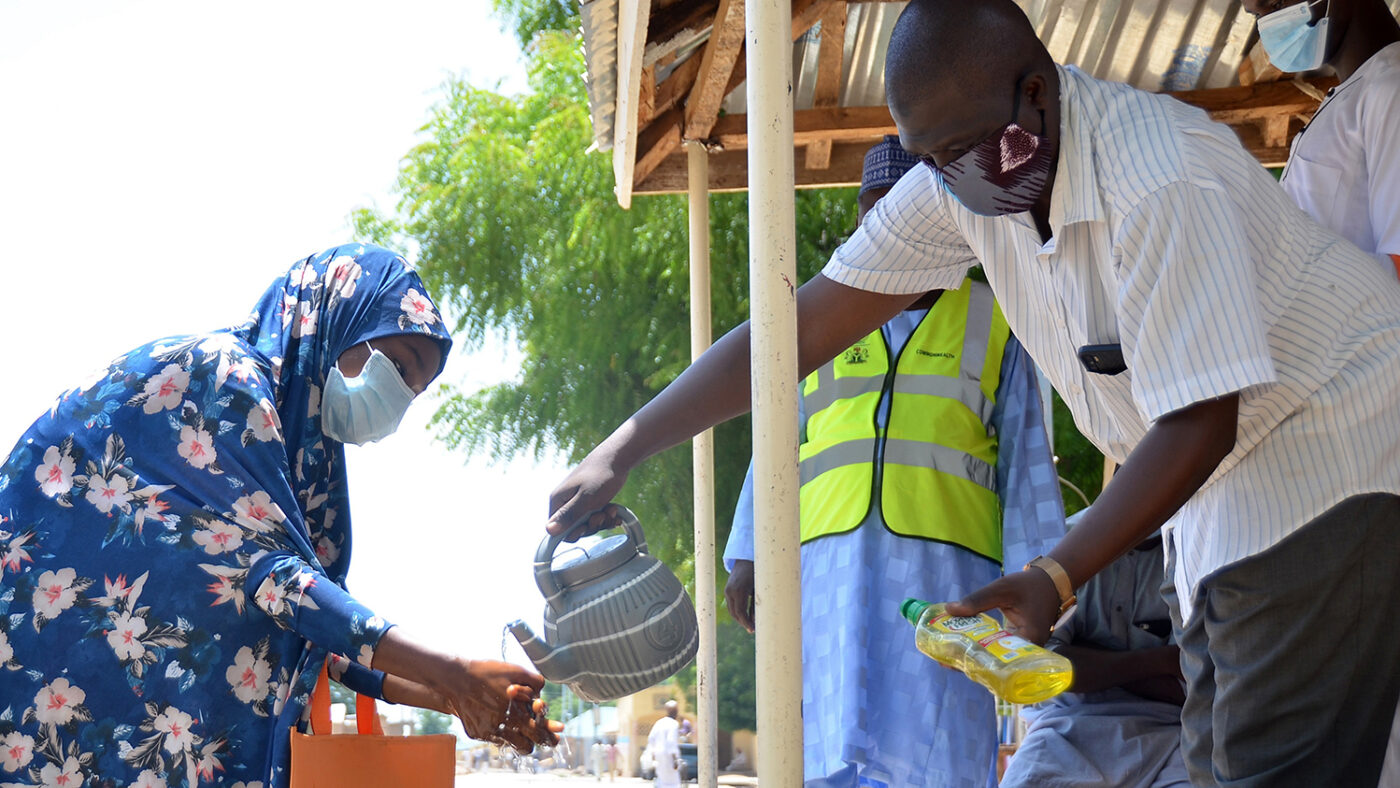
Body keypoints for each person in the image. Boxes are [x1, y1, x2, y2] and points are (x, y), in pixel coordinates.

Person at [546, 2, 1400, 785]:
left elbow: (1199, 422)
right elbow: (792, 333)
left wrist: (1052, 578)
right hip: (1226, 498)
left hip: (1329, 454)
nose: (953, 178)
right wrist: (624, 447)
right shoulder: (963, 177)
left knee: (1274, 765)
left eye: (962, 151)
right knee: (1220, 762)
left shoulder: (1160, 177)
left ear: (1036, 91)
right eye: (931, 160)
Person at [0, 244, 558, 787]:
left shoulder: (299, 463)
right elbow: (278, 585)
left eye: (416, 388)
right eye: (398, 364)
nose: (401, 395)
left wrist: (448, 697)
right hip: (58, 685)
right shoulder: (222, 377)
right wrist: (451, 671)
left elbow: (314, 631)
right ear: (335, 320)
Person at [722, 137, 1064, 788]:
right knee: (819, 747)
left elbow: (1027, 467)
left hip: (949, 587)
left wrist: (1046, 576)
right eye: (873, 217)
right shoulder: (813, 326)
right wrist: (748, 555)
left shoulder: (998, 322)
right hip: (826, 578)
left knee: (935, 757)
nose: (888, 236)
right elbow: (777, 443)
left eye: (904, 217)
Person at [1000, 514, 1188, 788]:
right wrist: (1160, 660)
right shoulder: (1064, 546)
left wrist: (1082, 657)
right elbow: (1043, 665)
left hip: (1168, 736)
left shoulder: (1187, 551)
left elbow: (1189, 683)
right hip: (1061, 730)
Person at [1244, 0, 1400, 276]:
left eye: (1276, 3)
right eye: (1258, 14)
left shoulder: (1391, 89)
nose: (1269, 23)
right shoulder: (1354, 94)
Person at [646, 700, 683, 788]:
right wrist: (675, 760)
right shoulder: (674, 724)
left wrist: (653, 754)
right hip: (669, 756)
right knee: (673, 782)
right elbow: (671, 741)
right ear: (675, 712)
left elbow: (651, 738)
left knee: (662, 781)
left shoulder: (659, 722)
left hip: (659, 755)